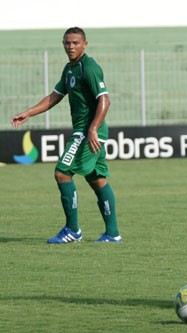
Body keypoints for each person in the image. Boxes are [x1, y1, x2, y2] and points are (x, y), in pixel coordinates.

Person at [11, 27, 122, 244]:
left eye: (75, 43)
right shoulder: (69, 69)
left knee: (62, 173)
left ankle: (73, 231)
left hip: (88, 131)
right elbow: (54, 96)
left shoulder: (89, 67)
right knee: (97, 179)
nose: (70, 47)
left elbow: (105, 100)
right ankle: (113, 233)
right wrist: (29, 113)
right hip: (90, 131)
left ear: (85, 44)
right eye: (67, 43)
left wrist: (91, 128)